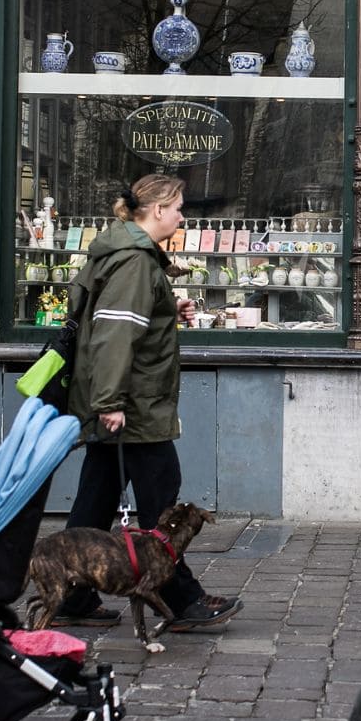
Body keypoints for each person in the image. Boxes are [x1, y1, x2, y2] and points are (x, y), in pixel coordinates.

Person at [57, 174, 241, 631]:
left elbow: (121, 319)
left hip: (120, 401)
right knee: (162, 505)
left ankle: (70, 595)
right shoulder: (136, 263)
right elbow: (115, 334)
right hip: (133, 406)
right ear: (157, 210)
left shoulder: (121, 253)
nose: (182, 216)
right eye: (178, 207)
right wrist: (111, 401)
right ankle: (181, 599)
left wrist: (165, 311)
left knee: (94, 502)